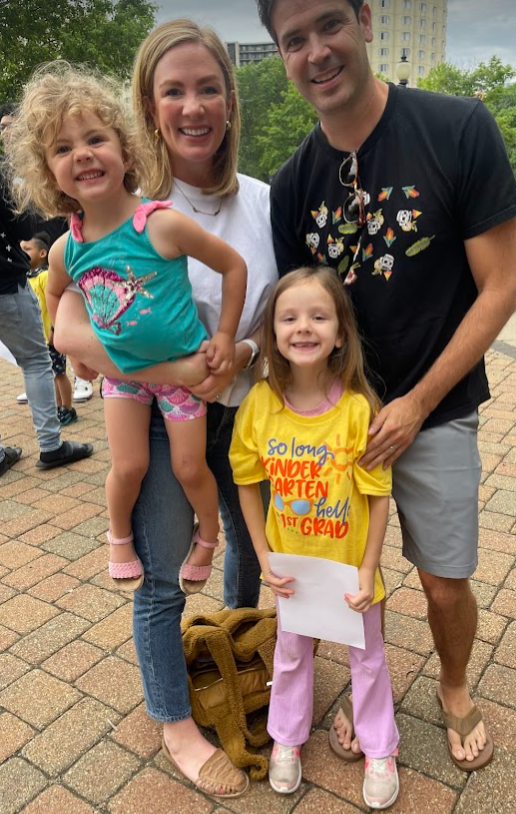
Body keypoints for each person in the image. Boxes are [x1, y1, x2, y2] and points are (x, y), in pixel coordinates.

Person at [256, 0, 516, 772]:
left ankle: (451, 682)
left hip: (434, 410)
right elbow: (292, 316)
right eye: (293, 40)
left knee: (443, 583)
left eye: (329, 24)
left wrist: (412, 405)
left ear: (366, 20)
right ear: (281, 54)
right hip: (334, 424)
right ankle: (367, 687)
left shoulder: (457, 128)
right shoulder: (291, 182)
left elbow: (500, 285)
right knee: (346, 578)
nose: (316, 52)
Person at [46, 19, 278, 798]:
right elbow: (72, 327)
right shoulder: (118, 204)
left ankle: (246, 656)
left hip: (247, 413)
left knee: (247, 553)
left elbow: (289, 313)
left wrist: (239, 353)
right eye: (171, 90)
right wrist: (178, 367)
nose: (191, 106)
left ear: (230, 98)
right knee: (160, 577)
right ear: (147, 107)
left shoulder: (265, 203)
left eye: (206, 87)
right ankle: (174, 719)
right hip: (156, 411)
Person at [9, 62, 248, 596]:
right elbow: (55, 294)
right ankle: (117, 535)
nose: (84, 154)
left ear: (125, 148)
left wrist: (227, 336)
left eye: (96, 138)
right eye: (63, 148)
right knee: (128, 466)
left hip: (184, 375)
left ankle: (208, 536)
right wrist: (72, 353)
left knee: (191, 469)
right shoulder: (67, 247)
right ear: (49, 172)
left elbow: (234, 266)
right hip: (122, 378)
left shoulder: (159, 223)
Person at [230, 266, 399, 808]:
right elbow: (247, 484)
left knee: (367, 658)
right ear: (273, 332)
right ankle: (286, 739)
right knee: (291, 655)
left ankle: (379, 747)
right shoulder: (259, 405)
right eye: (289, 317)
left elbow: (378, 495)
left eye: (318, 316)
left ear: (340, 332)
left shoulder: (356, 410)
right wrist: (261, 554)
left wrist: (369, 570)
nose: (303, 327)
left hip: (348, 567)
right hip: (291, 570)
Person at [0, 120, 93, 476]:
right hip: (5, 283)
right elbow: (22, 228)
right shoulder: (3, 174)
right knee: (37, 361)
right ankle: (51, 446)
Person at [19, 231, 78, 426]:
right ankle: (58, 407)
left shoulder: (45, 276)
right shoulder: (28, 278)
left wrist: (55, 329)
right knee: (50, 373)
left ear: (42, 253)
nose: (23, 253)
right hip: (39, 338)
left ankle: (68, 408)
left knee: (60, 373)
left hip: (52, 337)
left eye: (27, 249)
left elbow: (54, 303)